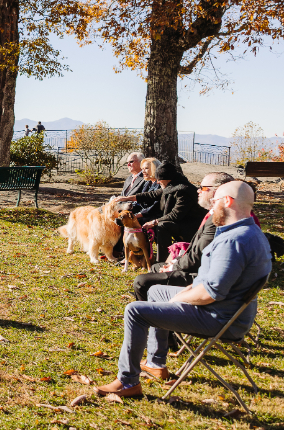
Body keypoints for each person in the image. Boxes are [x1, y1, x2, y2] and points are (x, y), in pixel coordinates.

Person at [96, 180, 272, 397]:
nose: (211, 206)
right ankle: (156, 362)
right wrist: (186, 291)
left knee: (135, 311)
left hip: (219, 317)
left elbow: (210, 294)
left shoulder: (234, 241)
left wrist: (177, 300)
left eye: (215, 201)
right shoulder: (247, 231)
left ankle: (127, 381)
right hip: (227, 309)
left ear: (227, 202)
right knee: (155, 291)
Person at [132, 172, 235, 301]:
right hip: (194, 266)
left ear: (217, 192)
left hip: (199, 275)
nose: (198, 191)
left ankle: (154, 315)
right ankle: (153, 300)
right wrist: (176, 260)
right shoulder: (213, 214)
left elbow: (198, 258)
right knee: (155, 267)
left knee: (141, 282)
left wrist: (173, 266)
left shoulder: (219, 220)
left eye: (203, 188)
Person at [116, 162, 206, 263]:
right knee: (160, 224)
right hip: (180, 222)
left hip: (192, 226)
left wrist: (154, 222)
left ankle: (162, 262)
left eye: (159, 179)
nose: (157, 182)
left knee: (162, 226)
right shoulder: (171, 186)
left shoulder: (183, 190)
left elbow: (175, 215)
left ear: (168, 178)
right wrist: (128, 198)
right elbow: (151, 195)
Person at [131, 158, 162, 222]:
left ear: (155, 169)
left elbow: (155, 207)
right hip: (143, 213)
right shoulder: (147, 183)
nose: (143, 171)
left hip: (153, 216)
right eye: (142, 169)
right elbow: (139, 202)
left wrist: (138, 215)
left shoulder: (160, 184)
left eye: (146, 168)